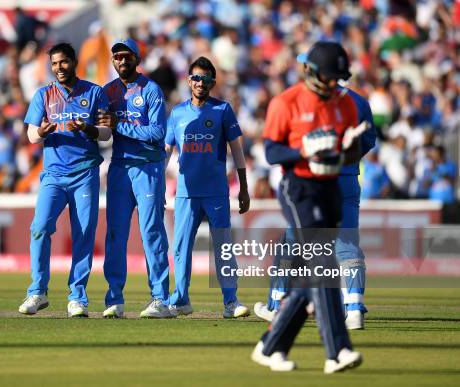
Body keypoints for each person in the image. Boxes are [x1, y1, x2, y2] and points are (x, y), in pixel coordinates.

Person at [251, 41, 363, 373]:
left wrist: (349, 149)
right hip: (298, 187)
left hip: (331, 187)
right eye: (330, 78)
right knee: (323, 263)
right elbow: (272, 153)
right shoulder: (286, 102)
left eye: (338, 78)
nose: (335, 85)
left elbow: (350, 153)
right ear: (312, 73)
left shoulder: (345, 105)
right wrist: (305, 153)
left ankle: (270, 346)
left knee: (310, 276)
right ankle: (337, 350)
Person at [253, 84, 376, 330]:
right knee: (347, 242)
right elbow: (368, 141)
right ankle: (353, 309)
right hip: (348, 178)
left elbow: (282, 146)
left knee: (293, 243)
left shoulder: (303, 99)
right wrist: (344, 160)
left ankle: (276, 305)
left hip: (313, 181)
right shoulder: (358, 101)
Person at [18, 43, 112, 318]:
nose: (58, 68)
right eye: (54, 63)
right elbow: (31, 135)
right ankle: (37, 291)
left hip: (85, 173)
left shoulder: (94, 92)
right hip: (53, 175)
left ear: (74, 62)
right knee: (39, 228)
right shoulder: (44, 94)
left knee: (83, 235)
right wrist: (43, 132)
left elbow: (106, 134)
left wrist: (88, 128)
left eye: (63, 62)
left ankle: (77, 297)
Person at [164, 56, 251, 318]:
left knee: (223, 246)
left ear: (213, 82)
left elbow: (237, 150)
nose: (200, 83)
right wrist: (157, 186)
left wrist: (244, 188)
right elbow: (166, 152)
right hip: (186, 193)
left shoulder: (222, 110)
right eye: (196, 78)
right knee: (180, 248)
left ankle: (231, 302)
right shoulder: (177, 113)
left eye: (206, 79)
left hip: (216, 191)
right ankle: (180, 299)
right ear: (189, 81)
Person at [97, 39, 170, 318]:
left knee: (151, 232)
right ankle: (114, 298)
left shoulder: (151, 90)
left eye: (127, 56)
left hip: (148, 168)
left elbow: (156, 134)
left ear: (136, 59)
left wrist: (119, 125)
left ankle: (160, 298)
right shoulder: (108, 91)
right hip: (119, 169)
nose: (122, 61)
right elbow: (100, 127)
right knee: (115, 234)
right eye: (117, 57)